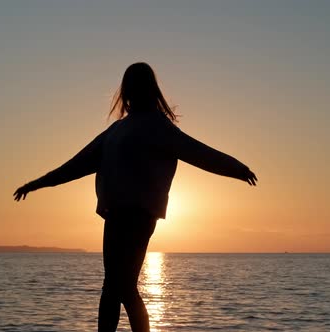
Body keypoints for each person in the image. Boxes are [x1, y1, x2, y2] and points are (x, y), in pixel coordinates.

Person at [13, 62, 257, 332]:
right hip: (115, 214)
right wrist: (37, 184)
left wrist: (237, 168)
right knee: (117, 286)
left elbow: (200, 153)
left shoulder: (159, 128)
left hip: (139, 216)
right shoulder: (117, 131)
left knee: (121, 286)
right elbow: (77, 164)